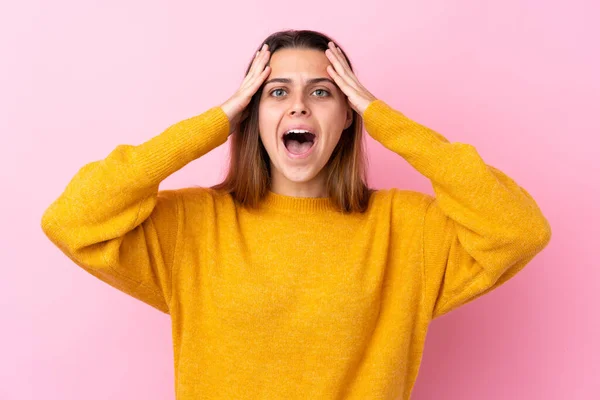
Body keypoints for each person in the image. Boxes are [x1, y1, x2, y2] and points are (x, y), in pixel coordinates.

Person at [41, 29, 552, 399]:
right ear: (252, 114)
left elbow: (519, 229)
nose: (299, 107)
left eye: (322, 92)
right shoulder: (193, 227)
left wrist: (384, 118)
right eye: (276, 92)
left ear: (347, 115)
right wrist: (214, 122)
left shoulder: (408, 231)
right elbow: (73, 220)